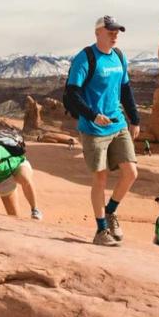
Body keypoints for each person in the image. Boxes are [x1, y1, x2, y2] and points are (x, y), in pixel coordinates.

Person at [64, 15, 141, 247]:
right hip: (94, 128)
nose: (115, 35)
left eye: (117, 31)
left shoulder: (119, 57)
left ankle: (110, 211)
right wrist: (93, 115)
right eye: (110, 31)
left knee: (131, 173)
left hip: (117, 124)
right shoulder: (85, 58)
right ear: (98, 32)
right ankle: (100, 231)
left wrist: (134, 118)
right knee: (100, 177)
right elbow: (72, 93)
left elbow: (125, 89)